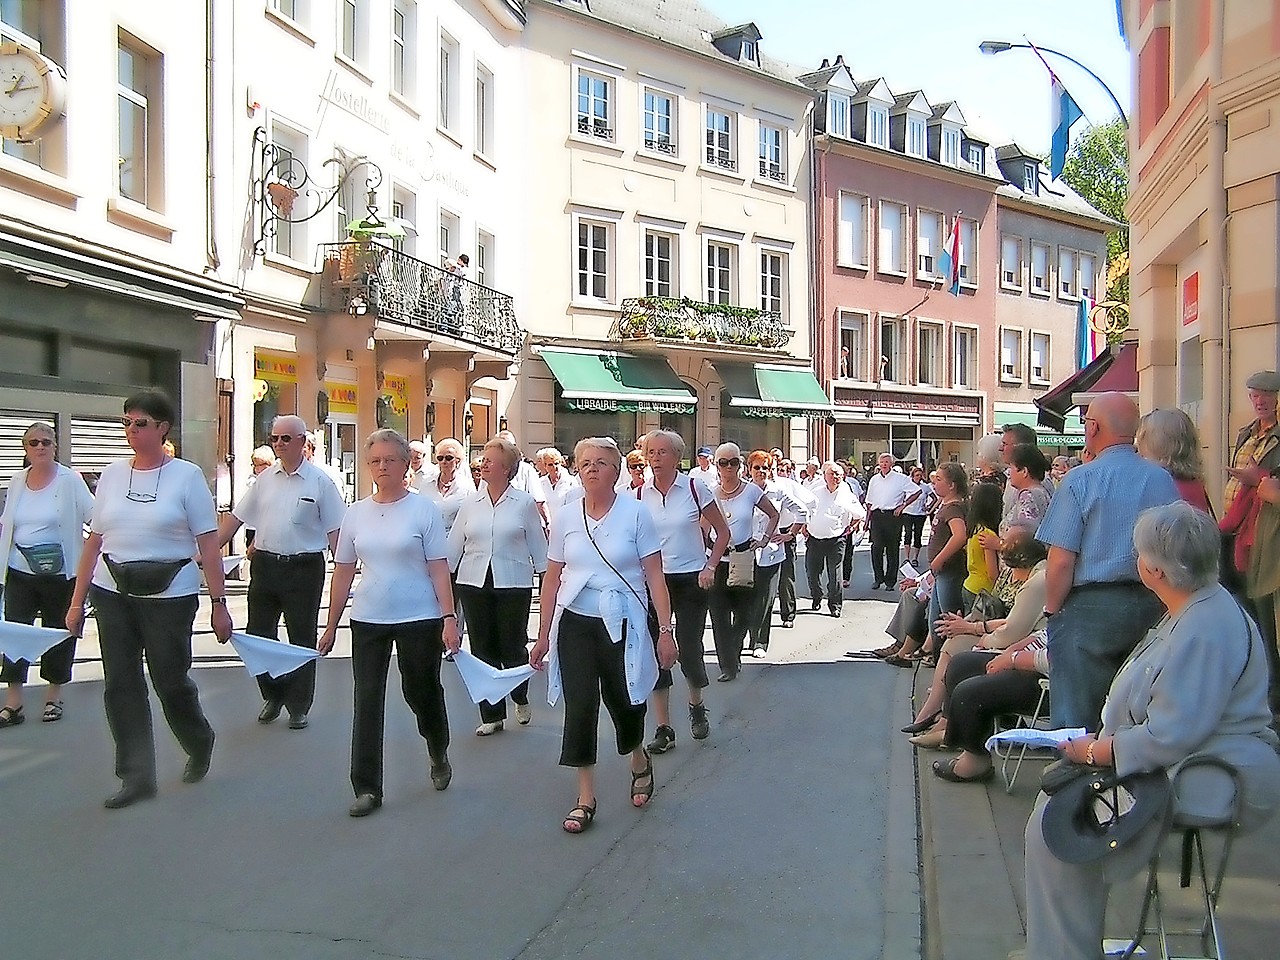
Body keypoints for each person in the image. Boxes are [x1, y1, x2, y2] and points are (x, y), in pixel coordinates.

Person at [1023, 502, 1280, 960]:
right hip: (1186, 763)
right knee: (1056, 811)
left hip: (1208, 774)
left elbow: (1170, 734)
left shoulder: (1203, 626)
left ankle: (1064, 951)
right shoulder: (1195, 609)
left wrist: (1094, 753)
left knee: (1058, 823)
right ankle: (1062, 946)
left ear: (1154, 569)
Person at [66, 390, 232, 809]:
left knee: (169, 681)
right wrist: (76, 601)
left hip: (170, 592)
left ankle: (199, 740)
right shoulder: (113, 475)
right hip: (113, 589)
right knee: (121, 683)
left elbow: (209, 543)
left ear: (162, 428)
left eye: (140, 423)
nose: (131, 431)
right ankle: (136, 775)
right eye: (126, 422)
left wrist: (218, 601)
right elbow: (95, 541)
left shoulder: (187, 476)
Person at [528, 437, 676, 834]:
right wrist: (542, 635)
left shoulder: (636, 514)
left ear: (616, 471)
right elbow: (553, 578)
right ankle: (585, 797)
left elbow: (655, 576)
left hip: (624, 620)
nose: (592, 468)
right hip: (576, 619)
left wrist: (665, 630)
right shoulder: (565, 516)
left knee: (625, 700)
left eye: (601, 463)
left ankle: (638, 758)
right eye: (584, 462)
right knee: (580, 705)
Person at [319, 429, 460, 816]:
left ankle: (437, 747)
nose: (383, 466)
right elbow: (344, 570)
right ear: (368, 467)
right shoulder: (356, 513)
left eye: (390, 460)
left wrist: (449, 618)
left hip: (419, 616)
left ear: (405, 465)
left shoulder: (423, 510)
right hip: (368, 617)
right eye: (375, 460)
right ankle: (367, 787)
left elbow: (438, 567)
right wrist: (331, 625)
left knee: (421, 690)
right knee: (366, 700)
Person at [1038, 392, 1182, 730]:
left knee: (1077, 718)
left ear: (1092, 428)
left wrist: (1052, 609)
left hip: (1089, 607)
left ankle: (1078, 777)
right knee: (1136, 710)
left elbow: (1060, 561)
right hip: (1151, 602)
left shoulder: (1080, 479)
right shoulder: (1160, 478)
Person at [217, 415, 346, 730]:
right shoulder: (264, 479)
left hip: (304, 567)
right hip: (265, 564)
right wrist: (208, 551)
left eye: (285, 439)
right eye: (274, 438)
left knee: (300, 637)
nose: (278, 444)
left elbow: (336, 535)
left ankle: (299, 705)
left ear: (303, 442)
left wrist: (349, 568)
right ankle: (273, 694)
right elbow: (235, 519)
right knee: (259, 634)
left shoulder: (320, 483)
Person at [901, 523, 1048, 752]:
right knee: (955, 648)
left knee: (960, 657)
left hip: (1021, 649)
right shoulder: (1031, 576)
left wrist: (979, 635)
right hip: (1014, 640)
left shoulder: (1036, 582)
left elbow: (1014, 629)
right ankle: (942, 721)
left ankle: (949, 730)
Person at [636, 429, 730, 754]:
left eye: (663, 452)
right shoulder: (638, 494)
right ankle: (663, 727)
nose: (656, 458)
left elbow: (722, 532)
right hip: (653, 582)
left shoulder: (694, 486)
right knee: (657, 652)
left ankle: (696, 703)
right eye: (652, 452)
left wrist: (710, 567)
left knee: (689, 647)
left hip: (691, 578)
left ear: (678, 457)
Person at [448, 437, 547, 735]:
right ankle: (491, 714)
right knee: (481, 648)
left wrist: (548, 590)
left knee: (512, 645)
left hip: (512, 583)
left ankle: (519, 694)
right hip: (473, 582)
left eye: (489, 460)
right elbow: (452, 550)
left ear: (506, 469)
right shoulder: (471, 503)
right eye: (482, 460)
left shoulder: (524, 503)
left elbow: (541, 553)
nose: (483, 464)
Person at [0, 422, 94, 727]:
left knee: (59, 631)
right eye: (33, 443)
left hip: (61, 571)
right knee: (16, 633)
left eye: (46, 442)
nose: (40, 447)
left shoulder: (70, 480)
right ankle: (14, 703)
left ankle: (53, 697)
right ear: (25, 449)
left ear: (55, 446)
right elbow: (7, 523)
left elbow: (96, 519)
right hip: (20, 569)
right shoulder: (16, 481)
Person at [707, 442, 780, 681]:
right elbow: (701, 525)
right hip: (717, 559)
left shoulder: (750, 491)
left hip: (743, 559)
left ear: (741, 465)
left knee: (744, 614)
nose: (728, 467)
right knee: (718, 615)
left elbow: (773, 514)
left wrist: (763, 539)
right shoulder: (709, 492)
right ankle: (727, 666)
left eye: (734, 462)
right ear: (716, 465)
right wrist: (705, 546)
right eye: (723, 462)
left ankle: (735, 651)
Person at [888, 462, 969, 666]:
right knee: (935, 616)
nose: (934, 483)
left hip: (950, 571)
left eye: (939, 479)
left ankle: (945, 660)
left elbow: (960, 536)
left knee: (946, 616)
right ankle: (933, 654)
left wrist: (940, 558)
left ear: (952, 485)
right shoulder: (945, 505)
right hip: (941, 572)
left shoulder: (954, 507)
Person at [745, 450, 808, 655]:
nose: (761, 471)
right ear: (749, 469)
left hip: (771, 551)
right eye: (757, 467)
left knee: (765, 597)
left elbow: (802, 511)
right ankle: (746, 637)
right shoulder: (742, 491)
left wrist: (789, 534)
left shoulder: (777, 492)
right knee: (747, 597)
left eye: (765, 468)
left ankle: (760, 642)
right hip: (745, 551)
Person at [800, 461, 861, 618]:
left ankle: (835, 605)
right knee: (812, 573)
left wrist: (851, 527)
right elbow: (803, 508)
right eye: (832, 474)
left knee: (835, 575)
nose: (835, 477)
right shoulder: (815, 491)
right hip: (814, 538)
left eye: (838, 475)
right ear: (825, 476)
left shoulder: (846, 493)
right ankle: (817, 595)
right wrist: (803, 526)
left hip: (836, 539)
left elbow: (860, 514)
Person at [1223, 369, 1280, 514]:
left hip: (1260, 519)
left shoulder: (1277, 435)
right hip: (1234, 519)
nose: (1260, 401)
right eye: (1256, 396)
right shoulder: (1245, 434)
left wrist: (1259, 478)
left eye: (1267, 395)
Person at [1135, 408, 1211, 514]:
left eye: (1143, 439)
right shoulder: (1194, 484)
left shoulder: (1161, 486)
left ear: (1158, 444)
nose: (1138, 447)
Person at [864, 453, 921, 590]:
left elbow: (916, 491)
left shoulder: (901, 479)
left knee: (892, 549)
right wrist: (867, 520)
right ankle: (878, 578)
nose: (884, 464)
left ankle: (890, 581)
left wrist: (903, 506)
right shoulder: (874, 479)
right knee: (876, 548)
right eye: (882, 461)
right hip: (877, 516)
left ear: (892, 464)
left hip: (893, 516)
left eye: (886, 462)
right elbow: (869, 502)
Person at [419, 437, 475, 537]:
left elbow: (473, 517)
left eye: (449, 458)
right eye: (440, 458)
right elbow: (419, 513)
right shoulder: (426, 484)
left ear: (457, 461)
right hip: (429, 539)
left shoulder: (466, 486)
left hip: (457, 541)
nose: (444, 461)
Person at [961, 482, 1003, 611]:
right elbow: (992, 572)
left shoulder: (975, 529)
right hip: (983, 588)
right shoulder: (988, 535)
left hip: (969, 584)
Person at [494, 430, 548, 524]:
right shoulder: (488, 471)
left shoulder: (527, 470)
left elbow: (538, 501)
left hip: (521, 524)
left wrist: (547, 522)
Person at [1000, 443, 1052, 533]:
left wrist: (999, 543)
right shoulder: (1042, 492)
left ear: (1024, 471)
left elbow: (1024, 533)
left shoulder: (1028, 495)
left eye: (1011, 467)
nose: (1008, 473)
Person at [536, 447, 581, 526]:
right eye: (550, 464)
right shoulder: (540, 483)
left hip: (566, 524)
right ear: (545, 466)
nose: (554, 467)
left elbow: (576, 506)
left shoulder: (571, 481)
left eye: (556, 463)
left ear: (561, 463)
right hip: (546, 527)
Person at [899, 465, 931, 567]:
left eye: (920, 475)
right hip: (908, 512)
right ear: (912, 476)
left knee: (918, 535)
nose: (918, 477)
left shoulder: (925, 487)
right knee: (908, 533)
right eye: (916, 475)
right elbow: (901, 496)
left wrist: (928, 507)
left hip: (920, 514)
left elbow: (934, 497)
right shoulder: (908, 486)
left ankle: (915, 558)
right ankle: (907, 558)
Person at [304, 432, 349, 502]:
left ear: (312, 449)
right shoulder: (288, 475)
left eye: (303, 447)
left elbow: (337, 504)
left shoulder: (328, 474)